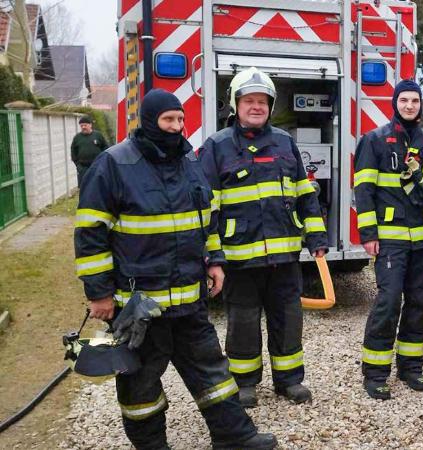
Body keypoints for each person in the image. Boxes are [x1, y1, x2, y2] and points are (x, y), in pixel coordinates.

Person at [74, 88, 275, 449]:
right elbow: (90, 234)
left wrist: (215, 261)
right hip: (139, 306)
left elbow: (207, 219)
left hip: (188, 299)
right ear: (150, 121)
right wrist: (99, 293)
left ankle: (235, 437)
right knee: (140, 384)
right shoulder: (114, 164)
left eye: (180, 120)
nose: (176, 128)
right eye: (169, 120)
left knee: (212, 372)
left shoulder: (189, 162)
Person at [199, 67, 328, 408]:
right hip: (240, 259)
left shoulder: (285, 144)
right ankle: (244, 384)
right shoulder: (216, 147)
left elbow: (305, 194)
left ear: (270, 106)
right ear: (235, 104)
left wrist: (316, 238)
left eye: (262, 101)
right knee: (242, 324)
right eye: (249, 100)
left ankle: (289, 381)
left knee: (288, 321)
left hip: (284, 258)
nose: (256, 106)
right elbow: (205, 209)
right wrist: (214, 256)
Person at [354, 80, 423, 400]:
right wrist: (368, 235)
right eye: (404, 100)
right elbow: (364, 192)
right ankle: (375, 371)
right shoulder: (375, 141)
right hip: (391, 241)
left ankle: (411, 367)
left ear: (420, 105)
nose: (410, 105)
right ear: (395, 103)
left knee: (417, 303)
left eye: (415, 100)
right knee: (389, 300)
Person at [71, 116, 109, 187]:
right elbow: (73, 152)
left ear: (90, 125)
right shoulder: (77, 138)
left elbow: (106, 148)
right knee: (84, 187)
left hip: (97, 166)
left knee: (97, 186)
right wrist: (78, 165)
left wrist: (102, 162)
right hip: (83, 167)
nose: (83, 127)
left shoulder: (98, 135)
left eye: (85, 125)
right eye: (81, 126)